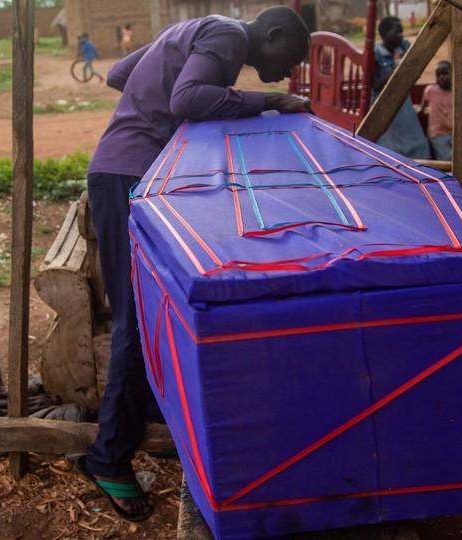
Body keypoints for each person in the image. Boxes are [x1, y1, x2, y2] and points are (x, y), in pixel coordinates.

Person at [74, 6, 312, 523]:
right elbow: (186, 98)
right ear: (269, 35)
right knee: (134, 322)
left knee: (155, 311)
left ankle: (150, 423)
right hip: (127, 176)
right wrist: (270, 102)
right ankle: (107, 456)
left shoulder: (198, 30)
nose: (287, 72)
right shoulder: (227, 36)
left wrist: (158, 102)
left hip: (128, 173)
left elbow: (121, 75)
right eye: (289, 57)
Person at [372, 16, 432, 160]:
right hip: (384, 105)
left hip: (403, 105)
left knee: (419, 144)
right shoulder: (376, 54)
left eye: (402, 32)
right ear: (385, 34)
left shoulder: (403, 48)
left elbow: (416, 57)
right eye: (397, 32)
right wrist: (395, 73)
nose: (401, 35)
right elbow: (375, 85)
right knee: (389, 148)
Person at [419, 59, 453, 160]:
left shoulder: (457, 92)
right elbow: (421, 108)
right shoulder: (430, 91)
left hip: (455, 134)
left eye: (445, 73)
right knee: (447, 158)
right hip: (437, 134)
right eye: (438, 75)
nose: (442, 77)